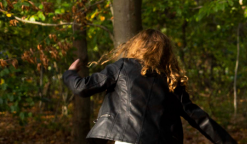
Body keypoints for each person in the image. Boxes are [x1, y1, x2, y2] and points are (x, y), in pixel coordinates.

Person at [64, 29, 236, 144]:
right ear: (166, 53)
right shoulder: (171, 80)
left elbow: (82, 88)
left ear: (136, 47)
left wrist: (70, 73)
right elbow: (199, 118)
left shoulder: (123, 67)